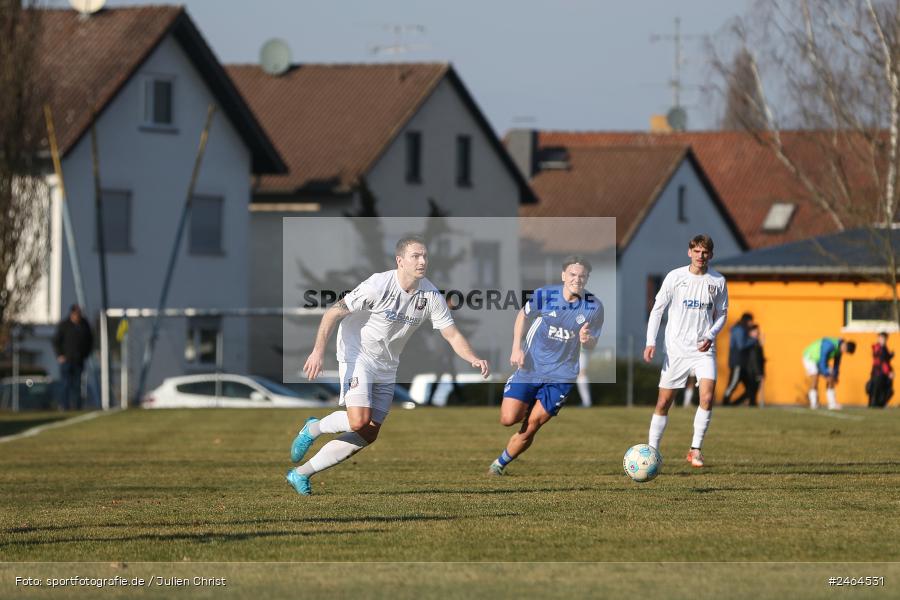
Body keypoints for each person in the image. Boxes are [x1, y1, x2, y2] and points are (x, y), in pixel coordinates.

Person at [285, 235, 490, 495]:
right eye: (416, 256)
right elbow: (333, 312)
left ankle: (300, 474)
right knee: (359, 420)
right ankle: (313, 428)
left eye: (425, 256)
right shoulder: (377, 285)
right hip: (357, 355)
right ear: (400, 260)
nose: (422, 261)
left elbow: (451, 333)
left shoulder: (430, 295)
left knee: (368, 433)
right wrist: (317, 351)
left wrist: (472, 357)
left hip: (387, 364)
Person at [487, 256, 604, 475]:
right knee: (508, 419)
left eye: (582, 276)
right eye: (572, 274)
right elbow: (523, 314)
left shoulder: (594, 307)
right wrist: (516, 348)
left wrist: (587, 340)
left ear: (587, 279)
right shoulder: (545, 295)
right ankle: (529, 404)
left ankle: (499, 465)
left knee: (531, 426)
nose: (577, 279)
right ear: (563, 276)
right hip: (531, 368)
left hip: (562, 376)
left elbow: (592, 345)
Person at [644, 234, 728, 468]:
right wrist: (650, 341)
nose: (701, 256)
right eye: (697, 251)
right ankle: (651, 450)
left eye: (705, 252)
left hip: (703, 349)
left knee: (708, 397)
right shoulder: (675, 277)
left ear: (711, 255)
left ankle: (695, 450)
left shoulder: (718, 281)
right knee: (664, 402)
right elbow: (657, 309)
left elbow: (722, 314)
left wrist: (710, 336)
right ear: (689, 252)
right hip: (676, 350)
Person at [52, 304, 93, 411]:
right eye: (76, 313)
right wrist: (60, 355)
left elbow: (90, 341)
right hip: (66, 361)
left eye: (79, 313)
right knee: (65, 384)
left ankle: (77, 407)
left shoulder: (84, 324)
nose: (78, 316)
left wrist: (85, 354)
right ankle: (64, 406)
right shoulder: (64, 325)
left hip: (79, 360)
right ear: (72, 313)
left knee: (77, 385)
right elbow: (56, 341)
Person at [802, 337, 856, 410]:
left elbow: (836, 365)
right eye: (845, 350)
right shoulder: (829, 345)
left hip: (820, 361)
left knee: (831, 378)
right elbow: (822, 360)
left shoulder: (839, 351)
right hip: (810, 357)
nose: (844, 352)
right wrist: (826, 374)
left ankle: (832, 404)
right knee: (815, 378)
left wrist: (835, 376)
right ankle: (814, 404)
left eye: (846, 352)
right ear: (845, 344)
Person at [722, 312, 754, 405]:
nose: (751, 323)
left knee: (750, 387)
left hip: (741, 363)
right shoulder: (739, 330)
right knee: (733, 384)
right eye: (751, 321)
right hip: (737, 363)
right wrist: (753, 340)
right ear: (747, 321)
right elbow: (741, 345)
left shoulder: (740, 329)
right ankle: (725, 402)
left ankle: (734, 404)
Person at [732, 324, 764, 406]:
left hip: (753, 371)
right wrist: (758, 372)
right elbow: (754, 360)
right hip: (752, 372)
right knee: (751, 391)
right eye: (755, 332)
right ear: (750, 333)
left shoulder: (755, 343)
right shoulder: (752, 344)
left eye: (758, 332)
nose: (757, 333)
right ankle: (735, 404)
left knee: (751, 392)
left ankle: (750, 404)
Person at [867, 332, 894, 408]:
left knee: (886, 391)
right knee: (875, 392)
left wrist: (890, 356)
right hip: (877, 373)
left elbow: (886, 360)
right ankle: (873, 406)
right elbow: (882, 361)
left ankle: (879, 405)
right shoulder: (878, 347)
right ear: (878, 338)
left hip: (882, 374)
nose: (883, 340)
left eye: (884, 338)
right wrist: (889, 372)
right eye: (881, 338)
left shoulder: (884, 348)